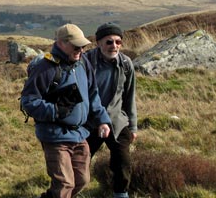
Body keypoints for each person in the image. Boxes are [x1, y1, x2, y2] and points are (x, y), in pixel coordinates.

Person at [20, 24, 111, 198]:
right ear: (61, 43)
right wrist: (55, 110)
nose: (80, 50)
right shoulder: (45, 67)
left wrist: (102, 120)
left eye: (83, 46)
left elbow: (93, 94)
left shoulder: (83, 63)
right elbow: (28, 101)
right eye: (76, 46)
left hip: (80, 133)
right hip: (55, 136)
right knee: (64, 184)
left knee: (81, 180)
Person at [85, 23, 137, 198]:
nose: (114, 46)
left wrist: (133, 127)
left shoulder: (126, 64)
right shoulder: (85, 62)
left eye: (118, 42)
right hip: (89, 122)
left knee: (123, 162)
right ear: (98, 43)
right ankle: (69, 192)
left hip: (117, 121)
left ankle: (120, 194)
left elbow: (129, 97)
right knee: (80, 161)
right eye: (109, 42)